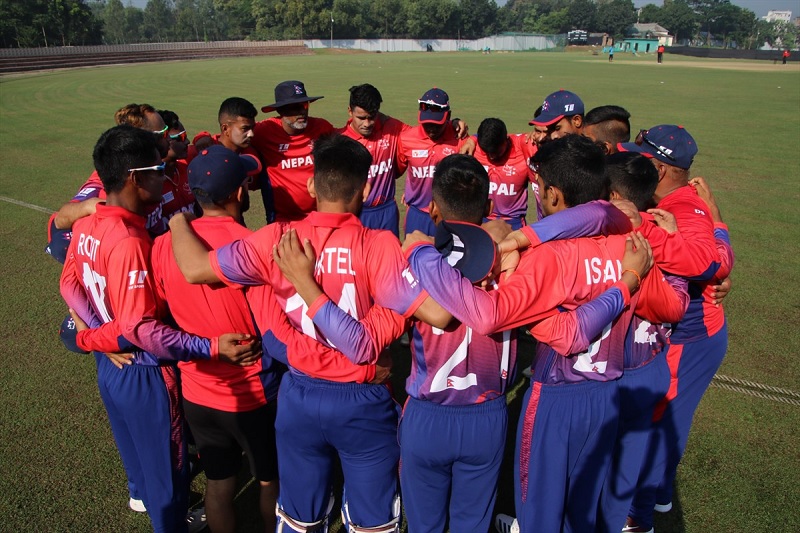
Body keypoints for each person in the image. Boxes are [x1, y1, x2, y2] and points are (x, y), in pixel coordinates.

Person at [404, 135, 688, 533]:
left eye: (538, 186)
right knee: (584, 509)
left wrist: (420, 253)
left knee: (539, 512)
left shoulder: (545, 259)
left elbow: (490, 316)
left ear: (553, 194)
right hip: (608, 393)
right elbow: (673, 307)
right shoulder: (630, 243)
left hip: (556, 397)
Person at [168, 134, 451, 533]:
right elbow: (435, 314)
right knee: (372, 521)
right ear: (366, 189)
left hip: (298, 395)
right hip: (363, 396)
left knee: (298, 519)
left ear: (312, 185)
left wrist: (178, 220)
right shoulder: (381, 245)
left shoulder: (275, 239)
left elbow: (193, 268)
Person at [59, 125, 261, 533]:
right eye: (158, 171)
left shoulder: (86, 224)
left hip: (111, 368)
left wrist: (99, 337)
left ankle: (141, 495)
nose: (166, 178)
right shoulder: (130, 240)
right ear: (134, 178)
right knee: (170, 481)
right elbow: (140, 329)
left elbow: (69, 284)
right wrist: (210, 347)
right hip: (145, 373)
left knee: (139, 461)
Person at [617, 125, 733, 532]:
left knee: (657, 428)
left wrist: (646, 228)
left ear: (661, 169)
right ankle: (661, 495)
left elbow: (712, 263)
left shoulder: (683, 209)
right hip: (689, 334)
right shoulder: (674, 202)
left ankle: (638, 518)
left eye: (642, 158)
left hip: (690, 339)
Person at [47, 103, 171, 263]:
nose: (168, 137)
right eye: (163, 133)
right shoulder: (111, 181)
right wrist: (94, 205)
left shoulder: (155, 168)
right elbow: (61, 219)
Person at [250, 80, 334, 222]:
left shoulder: (322, 128)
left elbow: (348, 138)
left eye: (304, 105)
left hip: (319, 216)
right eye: (294, 107)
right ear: (280, 110)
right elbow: (232, 138)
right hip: (282, 219)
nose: (302, 111)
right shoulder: (264, 131)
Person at [338, 84, 410, 236]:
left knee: (390, 250)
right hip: (356, 213)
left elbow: (422, 136)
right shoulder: (340, 141)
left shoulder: (391, 129)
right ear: (350, 111)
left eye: (371, 117)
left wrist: (454, 124)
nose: (366, 124)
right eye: (361, 118)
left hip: (387, 211)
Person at [189, 97, 275, 223]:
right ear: (225, 129)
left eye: (252, 128)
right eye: (245, 129)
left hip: (237, 220)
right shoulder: (203, 152)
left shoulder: (250, 151)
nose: (251, 134)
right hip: (206, 225)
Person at [397, 87, 468, 236]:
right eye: (427, 124)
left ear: (448, 116)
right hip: (416, 214)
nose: (431, 129)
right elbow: (397, 170)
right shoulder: (406, 138)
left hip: (447, 216)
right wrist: (411, 190)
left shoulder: (460, 139)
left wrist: (473, 138)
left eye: (436, 124)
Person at [474, 118, 540, 228]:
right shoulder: (473, 148)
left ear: (506, 139)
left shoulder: (523, 148)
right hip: (482, 218)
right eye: (487, 152)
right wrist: (471, 138)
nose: (491, 157)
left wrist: (536, 134)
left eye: (496, 152)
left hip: (513, 222)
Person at [157, 109, 198, 224]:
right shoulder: (151, 182)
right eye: (181, 137)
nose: (187, 141)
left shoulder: (187, 169)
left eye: (186, 135)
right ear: (163, 139)